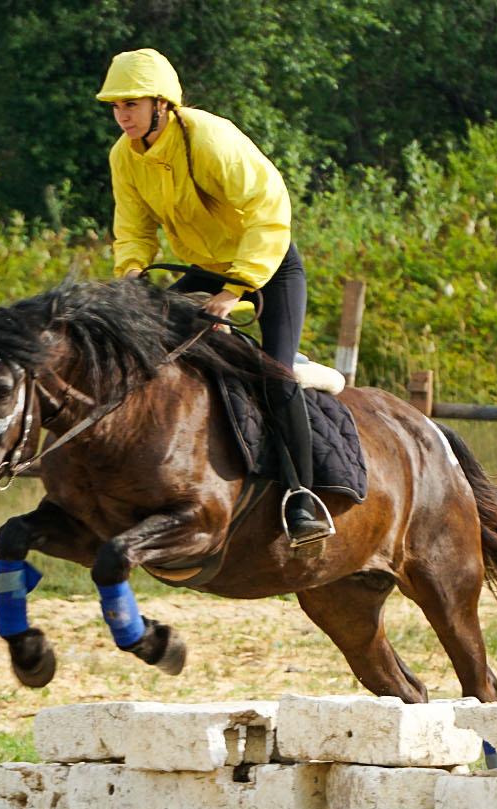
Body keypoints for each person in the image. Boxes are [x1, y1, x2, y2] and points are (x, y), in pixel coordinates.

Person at [97, 48, 331, 546]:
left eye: (131, 104)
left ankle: (302, 497)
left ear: (163, 104)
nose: (122, 115)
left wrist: (235, 288)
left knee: (276, 377)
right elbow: (133, 227)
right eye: (116, 107)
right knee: (144, 347)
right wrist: (132, 277)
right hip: (205, 269)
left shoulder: (208, 137)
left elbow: (268, 210)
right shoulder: (124, 155)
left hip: (268, 266)